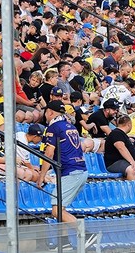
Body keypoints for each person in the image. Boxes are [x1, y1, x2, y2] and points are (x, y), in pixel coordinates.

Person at [37, 100, 93, 245]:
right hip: (80, 169)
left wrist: (42, 176)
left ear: (49, 112)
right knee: (61, 208)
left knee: (56, 211)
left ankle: (87, 235)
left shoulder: (53, 128)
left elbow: (48, 154)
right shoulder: (71, 126)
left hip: (70, 171)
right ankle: (65, 242)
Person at [104, 114, 135, 180]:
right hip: (115, 163)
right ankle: (133, 190)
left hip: (124, 162)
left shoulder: (122, 134)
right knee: (132, 169)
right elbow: (120, 147)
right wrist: (131, 161)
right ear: (129, 124)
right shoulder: (116, 133)